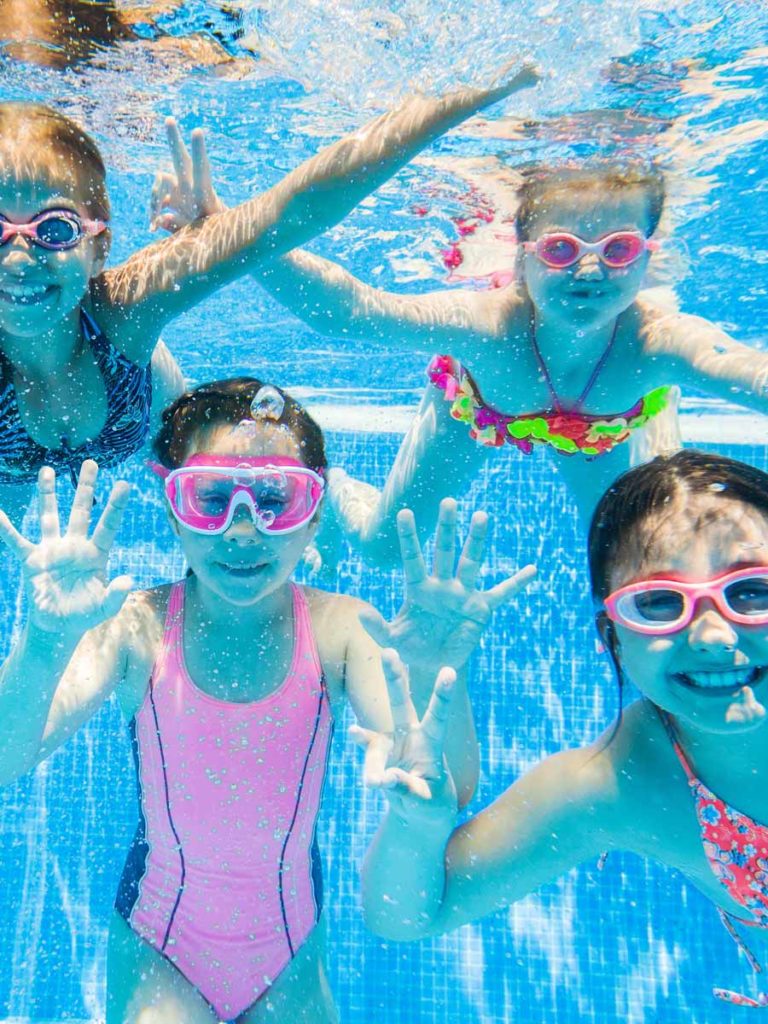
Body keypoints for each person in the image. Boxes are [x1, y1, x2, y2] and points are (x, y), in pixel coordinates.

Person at [0, 376, 532, 1023]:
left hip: (291, 958)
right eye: (211, 498)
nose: (243, 531)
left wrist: (434, 670)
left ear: (314, 516)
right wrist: (44, 641)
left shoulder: (342, 630)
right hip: (158, 951)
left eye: (277, 499)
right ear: (172, 508)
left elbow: (446, 777)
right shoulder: (136, 629)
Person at [150, 135, 768, 565]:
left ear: (647, 255)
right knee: (386, 549)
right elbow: (350, 313)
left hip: (608, 432)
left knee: (639, 555)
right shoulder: (488, 328)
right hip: (476, 416)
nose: (589, 269)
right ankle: (334, 491)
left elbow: (740, 369)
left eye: (618, 250)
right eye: (559, 249)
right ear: (522, 251)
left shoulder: (658, 341)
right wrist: (228, 230)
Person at [0, 65, 537, 527]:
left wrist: (471, 94)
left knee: (206, 493)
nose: (19, 260)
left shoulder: (125, 310)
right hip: (11, 464)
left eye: (54, 230)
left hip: (149, 428)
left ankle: (316, 525)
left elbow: (293, 211)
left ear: (98, 247)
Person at [355, 449, 768, 1009]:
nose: (714, 636)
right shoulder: (619, 786)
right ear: (614, 634)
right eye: (659, 603)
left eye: (752, 591)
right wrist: (415, 826)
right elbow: (407, 915)